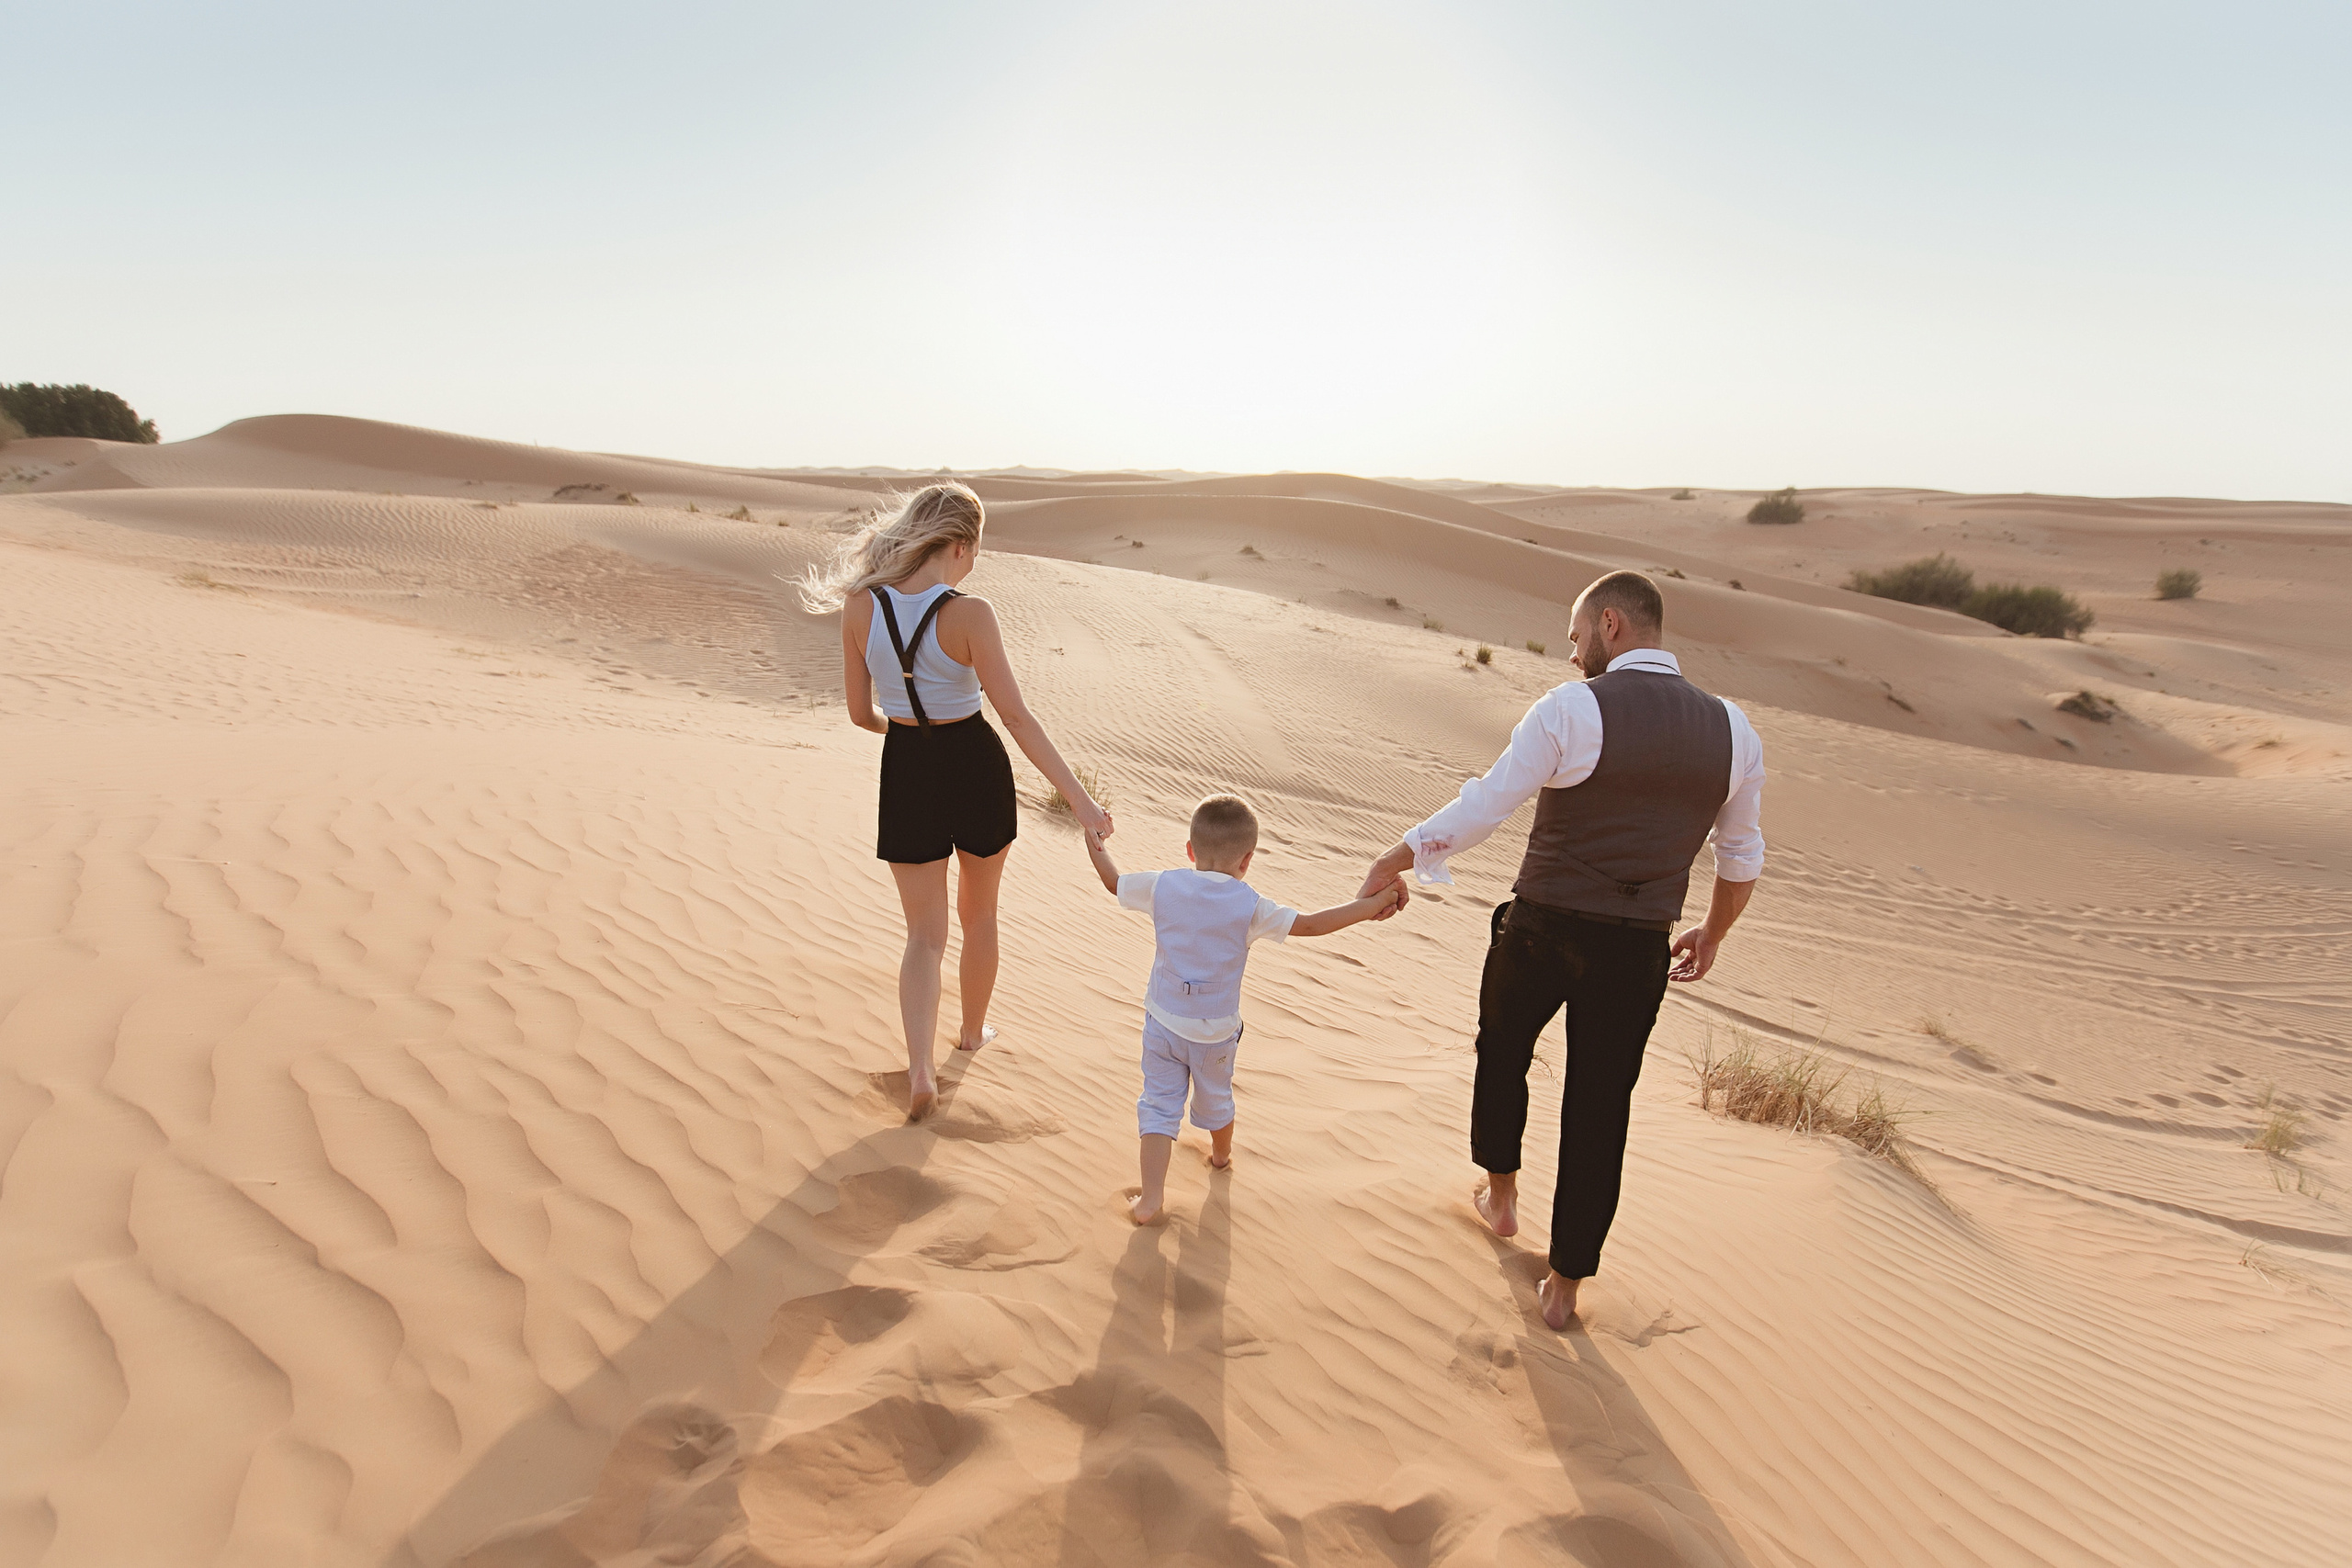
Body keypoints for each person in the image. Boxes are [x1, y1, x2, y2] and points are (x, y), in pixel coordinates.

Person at [1355, 570, 1765, 1328]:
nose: (1574, 655)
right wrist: (1713, 932)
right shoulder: (1734, 731)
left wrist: (1397, 855)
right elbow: (1740, 857)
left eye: (1577, 636)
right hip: (1636, 949)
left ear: (1610, 625)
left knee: (1502, 1050)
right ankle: (1565, 1284)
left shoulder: (1572, 708)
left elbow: (1487, 803)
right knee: (1601, 1107)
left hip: (1543, 928)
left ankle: (1502, 1196)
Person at [799, 481, 1113, 1122]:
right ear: (962, 546)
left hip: (906, 769)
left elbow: (860, 713)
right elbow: (1017, 719)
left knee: (923, 935)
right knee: (980, 915)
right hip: (976, 765)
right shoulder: (971, 614)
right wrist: (1082, 803)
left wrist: (907, 734)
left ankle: (919, 1066)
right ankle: (970, 1035)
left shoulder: (860, 605)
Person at [1085, 794, 1403, 1223]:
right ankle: (1220, 1156)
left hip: (1163, 1023)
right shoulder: (1250, 905)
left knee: (1158, 1106)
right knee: (1216, 1098)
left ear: (1190, 850)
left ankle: (1151, 1199)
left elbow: (1113, 882)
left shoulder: (1163, 885)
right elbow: (1311, 924)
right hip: (1215, 1033)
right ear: (1247, 860)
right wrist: (1372, 906)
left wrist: (1093, 838)